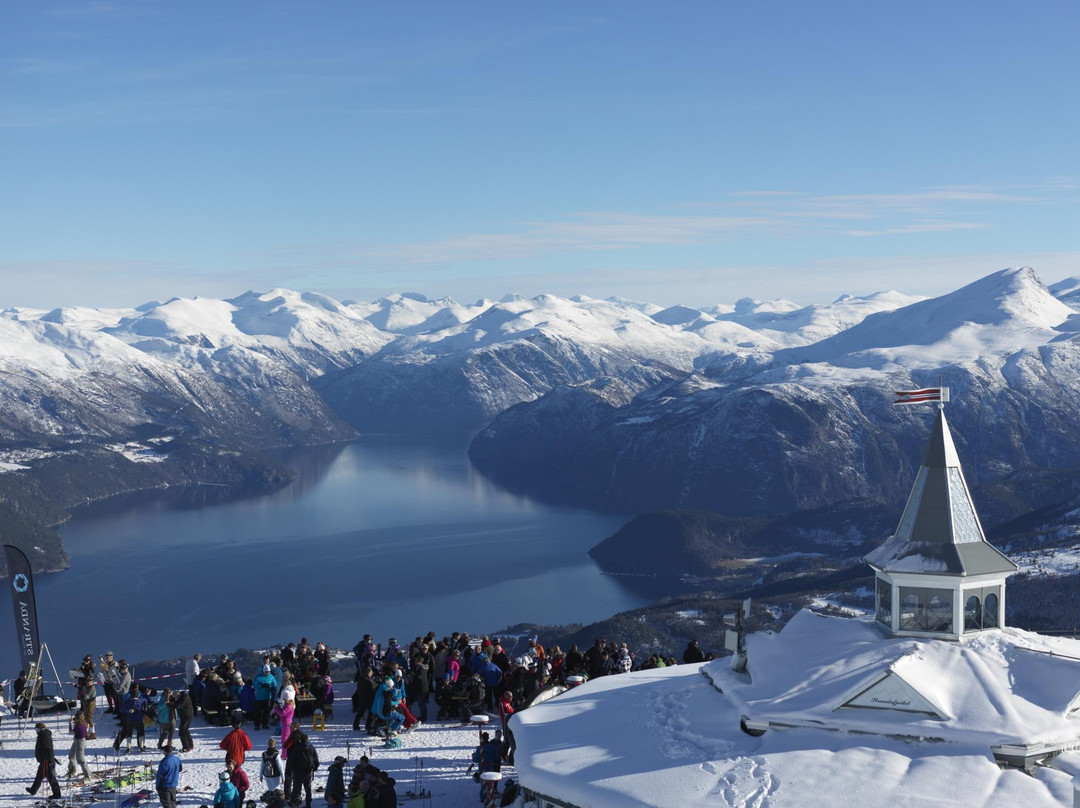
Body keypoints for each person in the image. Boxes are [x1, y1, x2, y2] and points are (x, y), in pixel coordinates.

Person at [27, 721, 61, 800]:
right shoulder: (43, 735)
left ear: (40, 729)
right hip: (43, 760)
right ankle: (33, 790)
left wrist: (50, 760)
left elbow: (48, 749)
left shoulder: (43, 736)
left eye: (36, 729)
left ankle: (57, 794)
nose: (36, 731)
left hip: (46, 761)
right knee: (39, 776)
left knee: (51, 778)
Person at [289, 731, 319, 808]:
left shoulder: (297, 747)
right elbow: (316, 759)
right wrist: (315, 767)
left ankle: (295, 803)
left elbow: (292, 759)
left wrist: (292, 769)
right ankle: (308, 804)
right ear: (307, 739)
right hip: (308, 771)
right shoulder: (311, 747)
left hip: (298, 771)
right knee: (308, 788)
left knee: (297, 789)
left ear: (300, 739)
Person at [66, 711, 93, 780]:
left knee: (80, 759)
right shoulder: (84, 722)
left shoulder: (79, 727)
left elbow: (70, 731)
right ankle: (72, 771)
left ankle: (88, 775)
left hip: (79, 742)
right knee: (71, 756)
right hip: (77, 740)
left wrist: (70, 723)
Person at [156, 744, 182, 808]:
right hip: (173, 784)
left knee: (167, 804)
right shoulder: (177, 759)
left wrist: (158, 786)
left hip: (165, 786)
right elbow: (180, 769)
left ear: (165, 751)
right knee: (173, 802)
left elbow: (160, 775)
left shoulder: (164, 762)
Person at [254, 664, 277, 730]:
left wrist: (272, 687)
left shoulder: (271, 677)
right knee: (258, 711)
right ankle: (257, 724)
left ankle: (265, 724)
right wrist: (261, 686)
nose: (267, 673)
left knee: (266, 711)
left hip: (267, 697)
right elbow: (255, 684)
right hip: (259, 697)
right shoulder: (258, 676)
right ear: (263, 671)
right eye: (266, 672)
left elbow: (274, 684)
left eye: (268, 672)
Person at [173, 688, 195, 753]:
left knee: (182, 732)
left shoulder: (184, 697)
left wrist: (170, 705)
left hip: (186, 716)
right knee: (186, 730)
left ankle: (186, 747)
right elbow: (177, 703)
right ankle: (190, 745)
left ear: (177, 694)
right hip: (186, 716)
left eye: (175, 697)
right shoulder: (181, 696)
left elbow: (178, 705)